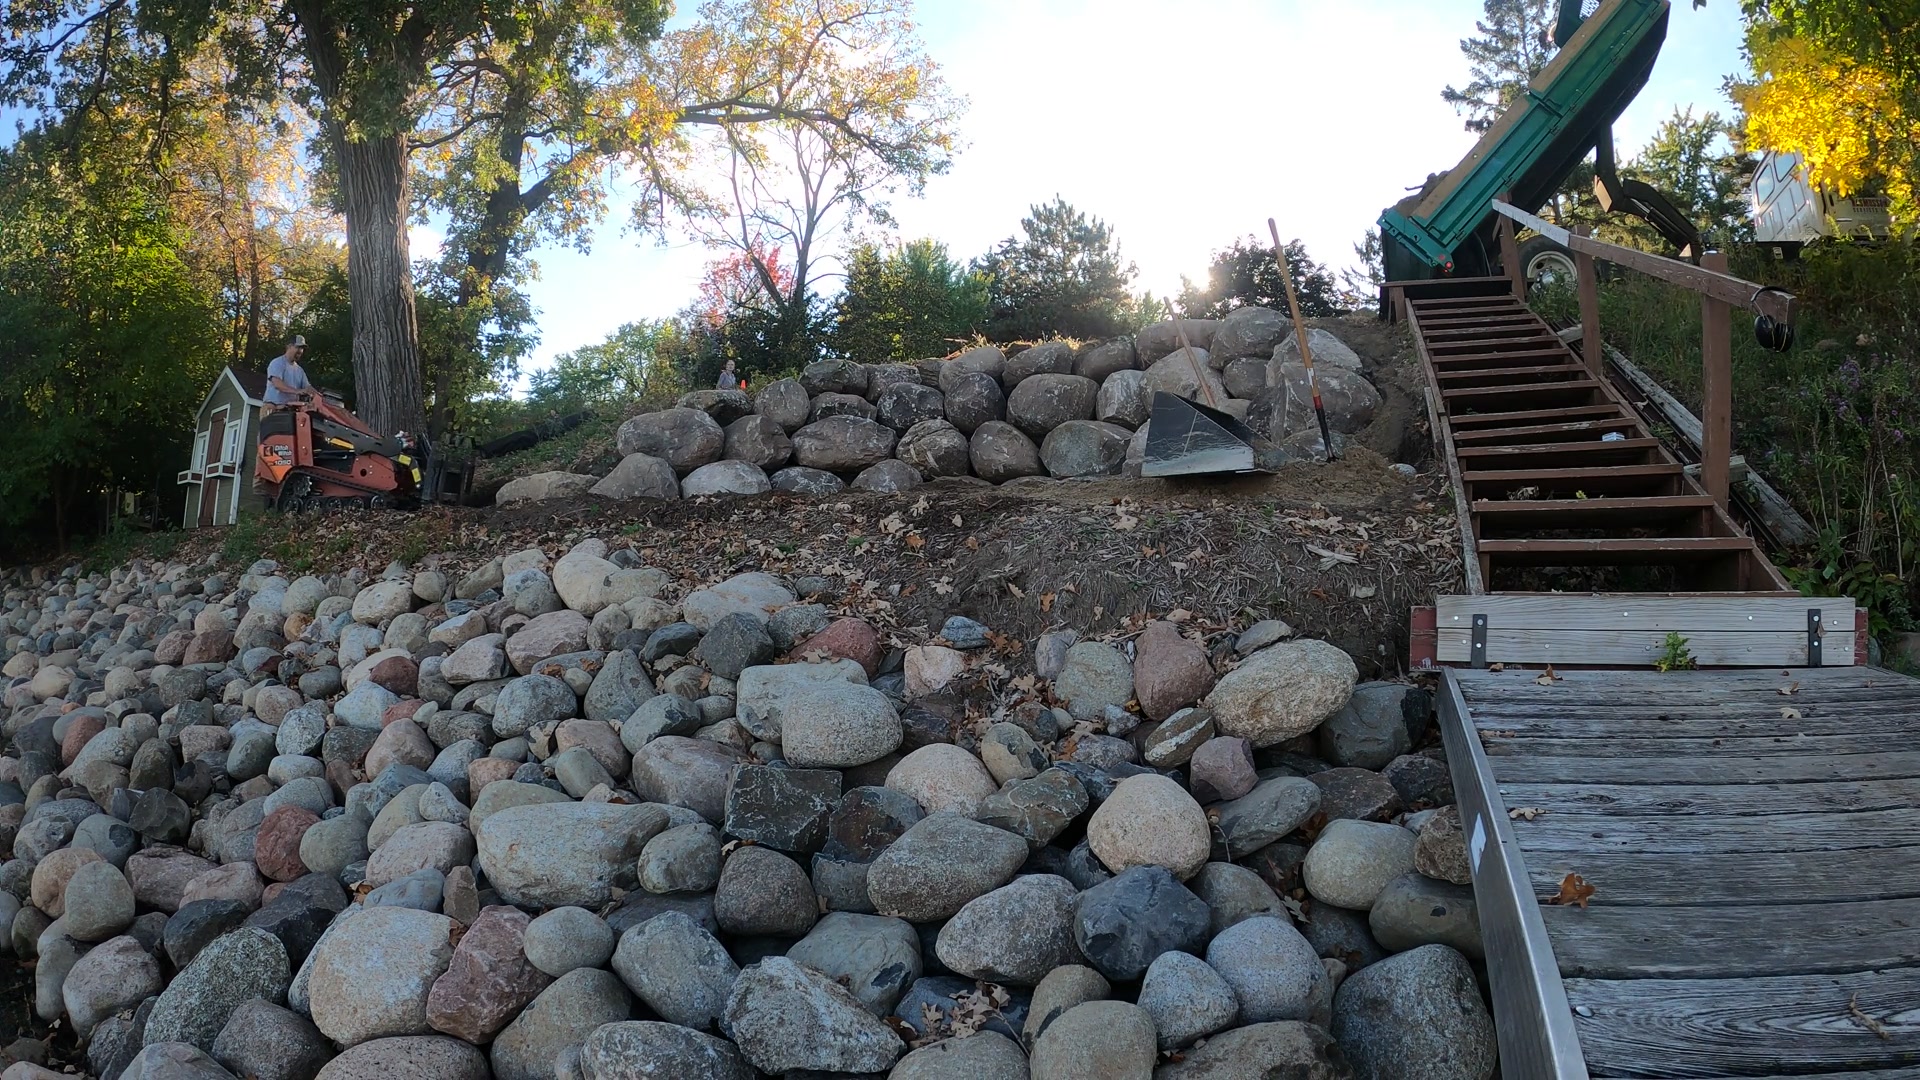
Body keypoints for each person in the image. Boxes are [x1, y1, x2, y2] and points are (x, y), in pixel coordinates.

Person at [266, 336, 315, 408]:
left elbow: (308, 388)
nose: (300, 351)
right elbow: (278, 384)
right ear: (289, 346)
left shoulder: (299, 370)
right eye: (298, 347)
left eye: (302, 349)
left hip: (289, 410)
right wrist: (297, 391)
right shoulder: (277, 363)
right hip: (273, 407)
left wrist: (321, 396)